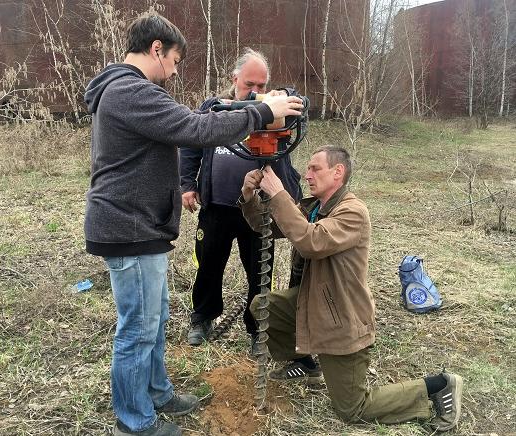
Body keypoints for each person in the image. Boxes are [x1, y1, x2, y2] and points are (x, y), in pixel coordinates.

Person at [83, 12, 303, 436]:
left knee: (155, 317)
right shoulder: (131, 91)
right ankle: (135, 422)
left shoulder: (128, 90)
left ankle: (158, 391)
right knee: (137, 329)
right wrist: (261, 112)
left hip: (143, 226)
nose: (175, 69)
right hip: (129, 228)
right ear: (156, 50)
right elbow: (195, 127)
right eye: (177, 60)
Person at [239, 146, 463, 432]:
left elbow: (310, 243)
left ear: (338, 172)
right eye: (307, 169)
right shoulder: (316, 207)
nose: (307, 175)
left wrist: (280, 193)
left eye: (314, 168)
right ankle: (306, 365)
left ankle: (437, 386)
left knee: (353, 408)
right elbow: (271, 225)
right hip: (313, 303)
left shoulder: (353, 212)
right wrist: (249, 196)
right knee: (263, 305)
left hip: (341, 320)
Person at [179, 48, 303, 350]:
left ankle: (257, 327)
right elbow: (191, 145)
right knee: (208, 263)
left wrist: (277, 97)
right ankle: (203, 317)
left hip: (257, 209)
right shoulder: (214, 107)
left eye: (262, 85)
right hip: (216, 206)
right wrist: (187, 185)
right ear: (234, 78)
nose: (255, 91)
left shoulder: (274, 109)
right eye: (250, 84)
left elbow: (296, 100)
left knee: (261, 270)